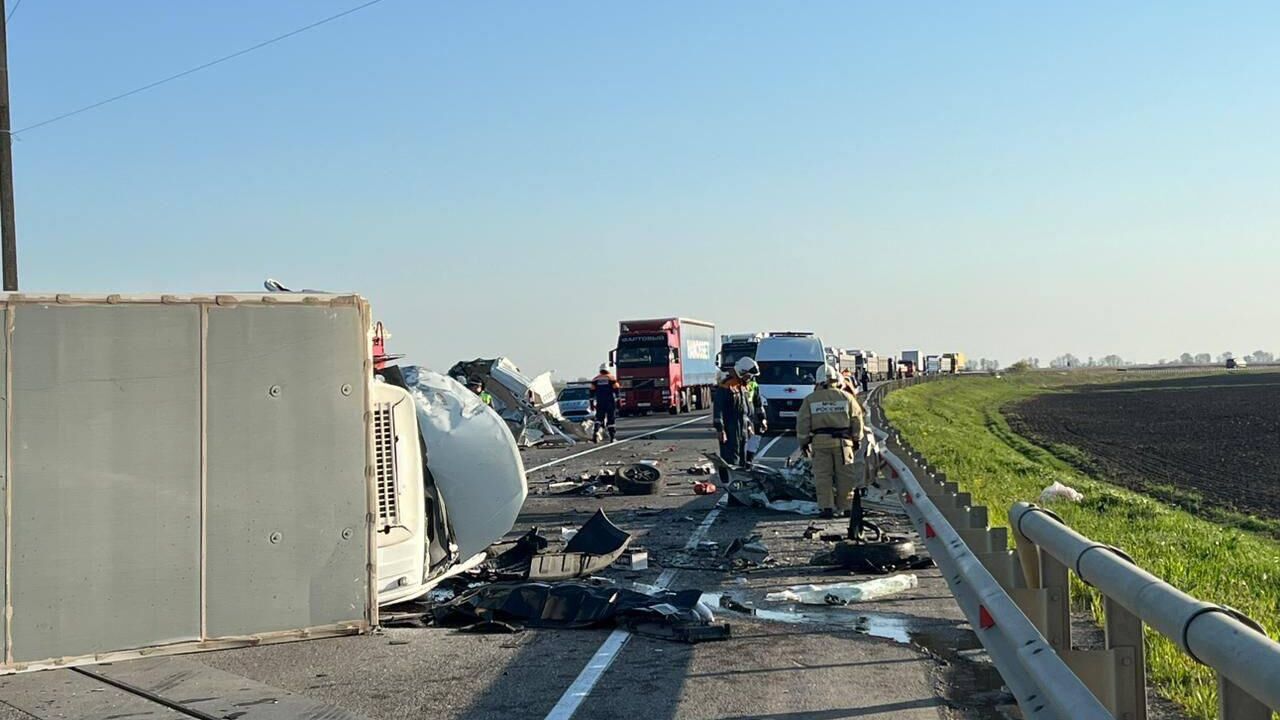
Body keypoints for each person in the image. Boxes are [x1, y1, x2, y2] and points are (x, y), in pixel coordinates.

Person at [796, 363, 865, 519]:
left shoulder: (810, 400)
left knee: (823, 477)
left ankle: (826, 508)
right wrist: (857, 439)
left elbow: (802, 423)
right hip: (843, 444)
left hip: (820, 444)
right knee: (846, 477)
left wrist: (804, 442)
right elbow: (857, 419)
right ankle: (847, 508)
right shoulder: (846, 397)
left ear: (818, 381)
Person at [713, 357, 766, 482]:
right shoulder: (726, 386)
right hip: (731, 428)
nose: (750, 379)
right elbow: (718, 409)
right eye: (748, 375)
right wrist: (720, 429)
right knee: (731, 459)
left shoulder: (743, 386)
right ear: (741, 372)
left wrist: (759, 420)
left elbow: (750, 407)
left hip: (743, 428)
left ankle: (740, 487)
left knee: (742, 460)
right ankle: (731, 488)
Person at [591, 363, 621, 442]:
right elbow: (617, 390)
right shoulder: (611, 378)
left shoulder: (595, 379)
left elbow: (591, 392)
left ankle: (595, 432)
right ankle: (612, 437)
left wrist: (591, 404)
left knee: (599, 418)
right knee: (611, 419)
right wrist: (618, 401)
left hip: (600, 402)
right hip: (610, 402)